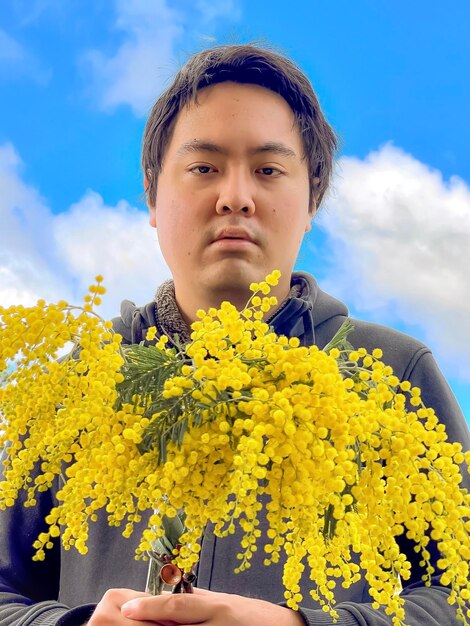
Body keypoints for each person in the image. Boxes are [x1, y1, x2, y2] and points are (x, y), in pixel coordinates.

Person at [0, 44, 469, 626]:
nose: (235, 196)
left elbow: (460, 595)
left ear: (311, 201)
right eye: (204, 167)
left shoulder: (394, 375)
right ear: (152, 194)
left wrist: (301, 625)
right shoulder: (69, 391)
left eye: (269, 170)